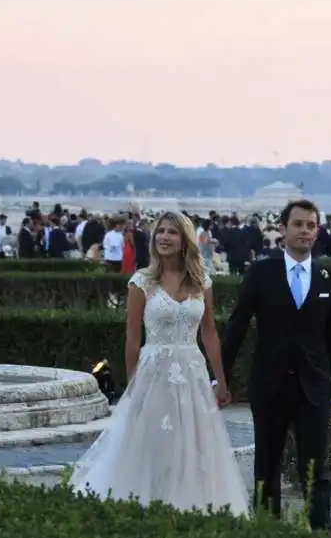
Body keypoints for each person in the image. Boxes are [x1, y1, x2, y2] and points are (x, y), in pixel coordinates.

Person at [70, 211, 248, 517]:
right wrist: (132, 384)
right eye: (160, 232)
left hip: (191, 370)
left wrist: (220, 380)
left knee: (192, 441)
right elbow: (132, 338)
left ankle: (189, 504)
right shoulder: (141, 282)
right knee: (152, 439)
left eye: (172, 232)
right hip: (153, 370)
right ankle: (146, 503)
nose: (164, 237)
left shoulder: (202, 281)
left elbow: (210, 334)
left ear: (184, 240)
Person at [221, 198, 331, 533]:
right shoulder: (261, 272)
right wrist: (219, 378)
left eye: (311, 226)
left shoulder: (328, 277)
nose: (305, 231)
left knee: (316, 466)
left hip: (314, 387)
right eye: (298, 224)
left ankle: (321, 532)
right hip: (270, 384)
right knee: (266, 463)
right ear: (283, 229)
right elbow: (237, 326)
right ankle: (267, 529)